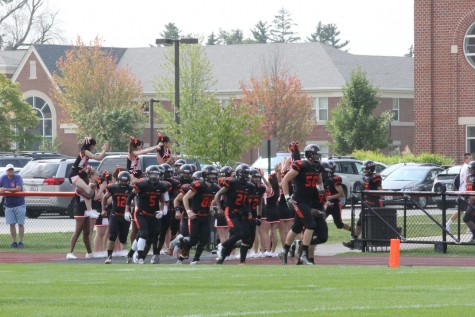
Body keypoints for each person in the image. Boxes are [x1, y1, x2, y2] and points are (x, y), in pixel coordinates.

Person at [278, 144, 324, 265]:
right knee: (310, 225)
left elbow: (319, 181)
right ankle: (303, 255)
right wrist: (288, 198)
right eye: (315, 155)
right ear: (309, 154)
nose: (317, 157)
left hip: (308, 201)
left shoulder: (318, 167)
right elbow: (284, 181)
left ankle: (284, 251)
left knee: (297, 227)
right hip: (298, 200)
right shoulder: (301, 165)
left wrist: (320, 188)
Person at [124, 165, 169, 264]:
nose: (154, 176)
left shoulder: (161, 186)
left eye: (156, 175)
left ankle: (130, 254)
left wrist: (162, 210)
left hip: (153, 214)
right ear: (148, 174)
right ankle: (140, 257)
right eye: (152, 174)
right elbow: (130, 197)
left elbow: (163, 201)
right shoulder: (141, 184)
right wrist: (127, 211)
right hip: (141, 213)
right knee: (144, 234)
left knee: (145, 235)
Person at [215, 164, 254, 264]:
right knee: (239, 233)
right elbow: (218, 194)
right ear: (238, 174)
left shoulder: (249, 186)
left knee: (246, 238)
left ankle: (227, 259)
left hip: (240, 213)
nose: (246, 176)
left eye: (247, 173)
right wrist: (219, 208)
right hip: (230, 211)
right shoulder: (232, 182)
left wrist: (249, 212)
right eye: (244, 173)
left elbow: (246, 201)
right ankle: (222, 245)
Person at [181, 165, 220, 264]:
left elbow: (212, 200)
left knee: (204, 239)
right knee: (193, 240)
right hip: (195, 216)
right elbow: (185, 198)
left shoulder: (215, 187)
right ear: (205, 175)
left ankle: (196, 258)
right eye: (210, 174)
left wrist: (211, 207)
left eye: (214, 175)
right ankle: (183, 245)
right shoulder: (198, 185)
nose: (213, 177)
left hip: (206, 216)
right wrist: (188, 211)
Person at [342, 160, 383, 250]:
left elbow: (380, 191)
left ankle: (395, 233)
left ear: (370, 168)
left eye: (365, 168)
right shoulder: (364, 177)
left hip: (374, 203)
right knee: (360, 223)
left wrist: (368, 193)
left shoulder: (376, 177)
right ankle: (353, 242)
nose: (364, 170)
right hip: (366, 203)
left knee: (380, 223)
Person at [69, 137, 109, 218]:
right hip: (74, 175)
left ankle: (89, 210)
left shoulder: (86, 152)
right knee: (88, 191)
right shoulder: (85, 151)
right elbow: (98, 158)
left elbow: (100, 158)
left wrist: (103, 151)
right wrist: (104, 150)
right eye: (94, 146)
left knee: (87, 191)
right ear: (91, 145)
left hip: (78, 174)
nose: (94, 148)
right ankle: (89, 210)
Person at [102, 171, 133, 264]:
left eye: (125, 181)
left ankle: (125, 248)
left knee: (123, 237)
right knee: (112, 235)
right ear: (118, 180)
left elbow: (136, 200)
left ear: (128, 181)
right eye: (122, 181)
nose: (123, 183)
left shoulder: (131, 189)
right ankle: (109, 257)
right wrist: (103, 209)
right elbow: (104, 198)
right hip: (114, 215)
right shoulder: (113, 188)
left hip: (126, 216)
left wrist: (132, 206)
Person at [0, 164, 26, 248]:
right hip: (8, 205)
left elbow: (18, 188)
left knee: (20, 224)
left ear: (13, 170)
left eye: (11, 170)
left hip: (19, 203)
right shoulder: (3, 178)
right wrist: (1, 189)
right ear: (6, 171)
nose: (10, 171)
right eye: (9, 170)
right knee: (11, 224)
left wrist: (6, 189)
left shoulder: (18, 177)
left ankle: (21, 241)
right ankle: (14, 241)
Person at [446, 152, 472, 233]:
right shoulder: (467, 167)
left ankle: (470, 228)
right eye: (470, 159)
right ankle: (447, 224)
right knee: (463, 210)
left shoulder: (463, 167)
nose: (471, 160)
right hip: (464, 193)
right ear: (465, 159)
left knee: (468, 210)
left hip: (464, 192)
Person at [321, 161, 351, 232]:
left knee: (339, 224)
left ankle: (353, 231)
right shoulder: (322, 178)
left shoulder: (334, 179)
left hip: (334, 204)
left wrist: (329, 197)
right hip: (325, 203)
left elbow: (341, 194)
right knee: (320, 220)